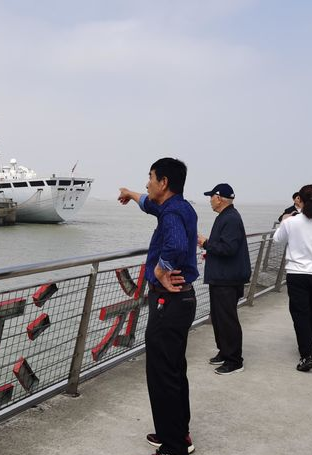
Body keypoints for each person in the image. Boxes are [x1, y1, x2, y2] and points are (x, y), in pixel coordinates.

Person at [118, 157, 198, 455]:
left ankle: (174, 445)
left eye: (150, 177)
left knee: (163, 372)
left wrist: (161, 270)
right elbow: (149, 204)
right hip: (181, 300)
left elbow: (175, 245)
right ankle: (176, 432)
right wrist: (130, 194)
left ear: (163, 182)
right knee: (173, 368)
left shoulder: (172, 213)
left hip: (169, 300)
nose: (147, 183)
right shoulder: (179, 206)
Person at [273, 184, 312, 372]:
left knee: (300, 314)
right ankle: (309, 346)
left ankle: (307, 355)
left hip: (297, 274)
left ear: (299, 199)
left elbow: (277, 239)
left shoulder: (291, 222)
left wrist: (284, 220)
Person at [197, 183, 251, 375]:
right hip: (221, 277)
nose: (210, 200)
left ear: (219, 198)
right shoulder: (226, 217)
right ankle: (224, 352)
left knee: (227, 319)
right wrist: (209, 248)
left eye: (211, 197)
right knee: (219, 318)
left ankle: (234, 360)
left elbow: (228, 248)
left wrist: (206, 243)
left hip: (228, 279)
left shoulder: (231, 218)